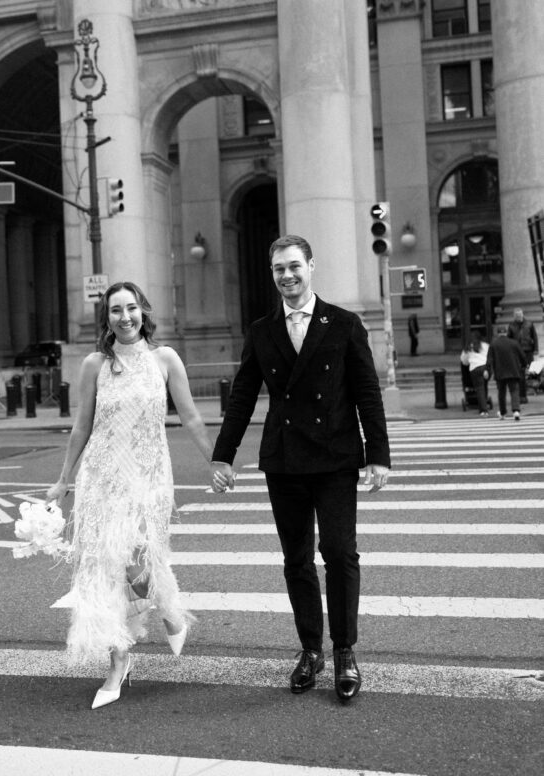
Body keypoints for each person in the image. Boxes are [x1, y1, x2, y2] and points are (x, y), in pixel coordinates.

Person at [209, 235, 391, 703]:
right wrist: (223, 454)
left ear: (311, 266)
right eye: (278, 269)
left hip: (335, 456)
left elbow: (367, 392)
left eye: (294, 266)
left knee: (339, 552)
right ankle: (311, 650)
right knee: (296, 559)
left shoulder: (344, 323)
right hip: (284, 459)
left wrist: (378, 454)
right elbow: (243, 397)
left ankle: (344, 650)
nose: (287, 276)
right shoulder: (262, 330)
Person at [46, 281, 215, 710]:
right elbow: (82, 426)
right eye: (116, 310)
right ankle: (118, 663)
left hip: (148, 480)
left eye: (131, 308)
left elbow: (192, 418)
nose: (125, 317)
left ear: (144, 311)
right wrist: (63, 480)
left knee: (139, 567)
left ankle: (168, 609)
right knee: (106, 572)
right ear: (106, 318)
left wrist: (217, 461)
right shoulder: (94, 365)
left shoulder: (165, 359)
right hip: (101, 480)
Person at [486, 325, 526, 420]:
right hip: (513, 370)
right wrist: (524, 365)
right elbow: (522, 356)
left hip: (500, 371)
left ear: (497, 333)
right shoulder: (514, 343)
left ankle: (503, 412)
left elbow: (489, 359)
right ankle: (516, 410)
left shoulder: (493, 344)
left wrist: (488, 370)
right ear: (506, 332)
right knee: (514, 391)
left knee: (501, 392)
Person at [507, 308, 539, 403]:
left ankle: (526, 393)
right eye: (517, 316)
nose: (519, 317)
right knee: (520, 374)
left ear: (523, 314)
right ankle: (522, 396)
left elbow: (534, 337)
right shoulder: (511, 326)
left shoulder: (529, 324)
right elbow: (509, 340)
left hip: (528, 351)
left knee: (530, 373)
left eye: (520, 315)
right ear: (514, 316)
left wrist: (536, 349)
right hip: (517, 352)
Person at [460, 330, 491, 415]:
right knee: (485, 385)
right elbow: (490, 356)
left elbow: (464, 361)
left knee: (479, 388)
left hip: (475, 368)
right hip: (485, 367)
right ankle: (484, 402)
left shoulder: (468, 347)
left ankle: (483, 409)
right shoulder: (485, 345)